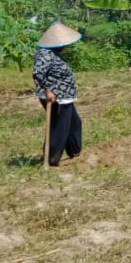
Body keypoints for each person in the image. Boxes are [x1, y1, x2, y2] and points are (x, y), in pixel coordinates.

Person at [33, 21, 83, 167]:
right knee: (59, 127)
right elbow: (37, 73)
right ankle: (52, 157)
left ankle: (74, 151)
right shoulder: (45, 54)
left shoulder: (52, 54)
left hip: (65, 97)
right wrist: (47, 90)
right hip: (56, 97)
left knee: (74, 123)